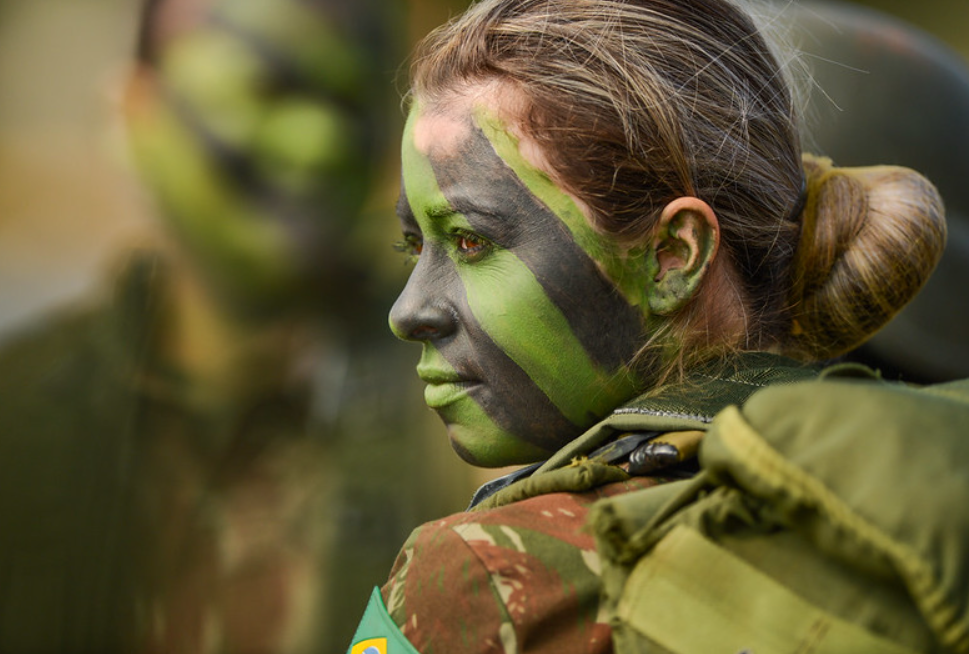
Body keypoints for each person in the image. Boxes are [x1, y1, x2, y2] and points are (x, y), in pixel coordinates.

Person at [345, 0, 968, 652]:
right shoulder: (917, 478)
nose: (407, 312)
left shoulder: (481, 573)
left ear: (673, 257)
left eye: (471, 242)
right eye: (413, 246)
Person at [0, 0, 468, 651]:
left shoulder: (465, 412)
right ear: (135, 113)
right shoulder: (24, 416)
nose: (319, 141)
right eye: (268, 88)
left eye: (350, 100)